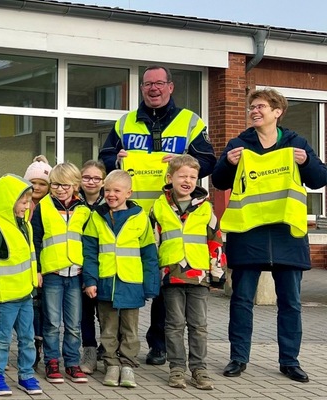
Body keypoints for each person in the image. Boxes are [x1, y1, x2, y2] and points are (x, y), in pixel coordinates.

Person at [99, 65, 217, 366]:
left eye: (159, 83)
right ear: (142, 88)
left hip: (172, 215)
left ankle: (159, 344)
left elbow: (207, 160)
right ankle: (115, 344)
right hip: (132, 217)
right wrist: (116, 159)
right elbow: (105, 158)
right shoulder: (125, 122)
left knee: (166, 288)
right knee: (123, 278)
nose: (153, 88)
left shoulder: (189, 121)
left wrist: (180, 162)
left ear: (170, 87)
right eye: (148, 84)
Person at [213, 88, 327, 383]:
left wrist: (306, 163)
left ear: (277, 112)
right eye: (251, 107)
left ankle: (290, 361)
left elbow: (320, 178)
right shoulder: (239, 144)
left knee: (290, 303)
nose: (254, 111)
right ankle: (238, 358)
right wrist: (228, 162)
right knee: (241, 301)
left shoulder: (295, 143)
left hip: (287, 234)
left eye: (260, 106)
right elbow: (219, 180)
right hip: (248, 233)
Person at [150, 154, 224, 390]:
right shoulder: (159, 207)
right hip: (171, 275)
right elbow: (153, 243)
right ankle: (177, 369)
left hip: (199, 276)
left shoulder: (206, 208)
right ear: (170, 177)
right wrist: (153, 274)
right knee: (173, 325)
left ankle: (199, 369)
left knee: (199, 325)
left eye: (193, 177)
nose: (188, 180)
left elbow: (215, 241)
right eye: (183, 176)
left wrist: (217, 274)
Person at [82, 170, 159, 388]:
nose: (111, 194)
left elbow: (149, 255)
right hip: (106, 283)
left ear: (128, 192)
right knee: (108, 328)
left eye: (117, 190)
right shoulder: (96, 217)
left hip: (131, 284)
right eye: (107, 190)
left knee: (130, 329)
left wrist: (150, 285)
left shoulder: (140, 217)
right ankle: (111, 364)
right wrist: (90, 281)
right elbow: (89, 252)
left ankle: (127, 365)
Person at [0, 174, 42, 396]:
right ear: (9, 201)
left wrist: (33, 282)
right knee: (3, 338)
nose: (27, 207)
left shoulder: (24, 225)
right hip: (6, 295)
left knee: (27, 337)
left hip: (25, 293)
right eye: (23, 202)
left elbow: (30, 255)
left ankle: (26, 375)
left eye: (28, 202)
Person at [30, 163, 89, 385]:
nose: (59, 189)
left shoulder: (83, 209)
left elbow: (88, 242)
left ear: (75, 185)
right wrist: (36, 270)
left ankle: (72, 363)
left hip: (75, 273)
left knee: (74, 324)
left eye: (64, 185)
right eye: (55, 184)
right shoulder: (43, 207)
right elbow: (35, 240)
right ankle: (52, 361)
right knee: (52, 322)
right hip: (52, 272)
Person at [78, 160, 106, 374]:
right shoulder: (73, 200)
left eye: (97, 178)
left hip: (105, 264)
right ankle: (89, 350)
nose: (91, 182)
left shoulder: (111, 201)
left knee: (105, 311)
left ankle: (107, 348)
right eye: (87, 177)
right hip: (78, 264)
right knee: (85, 311)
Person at [23, 155, 51, 367]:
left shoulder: (50, 206)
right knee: (30, 306)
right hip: (25, 263)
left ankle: (39, 344)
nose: (38, 187)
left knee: (42, 307)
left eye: (43, 183)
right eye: (33, 183)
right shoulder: (22, 204)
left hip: (46, 264)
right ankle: (30, 345)